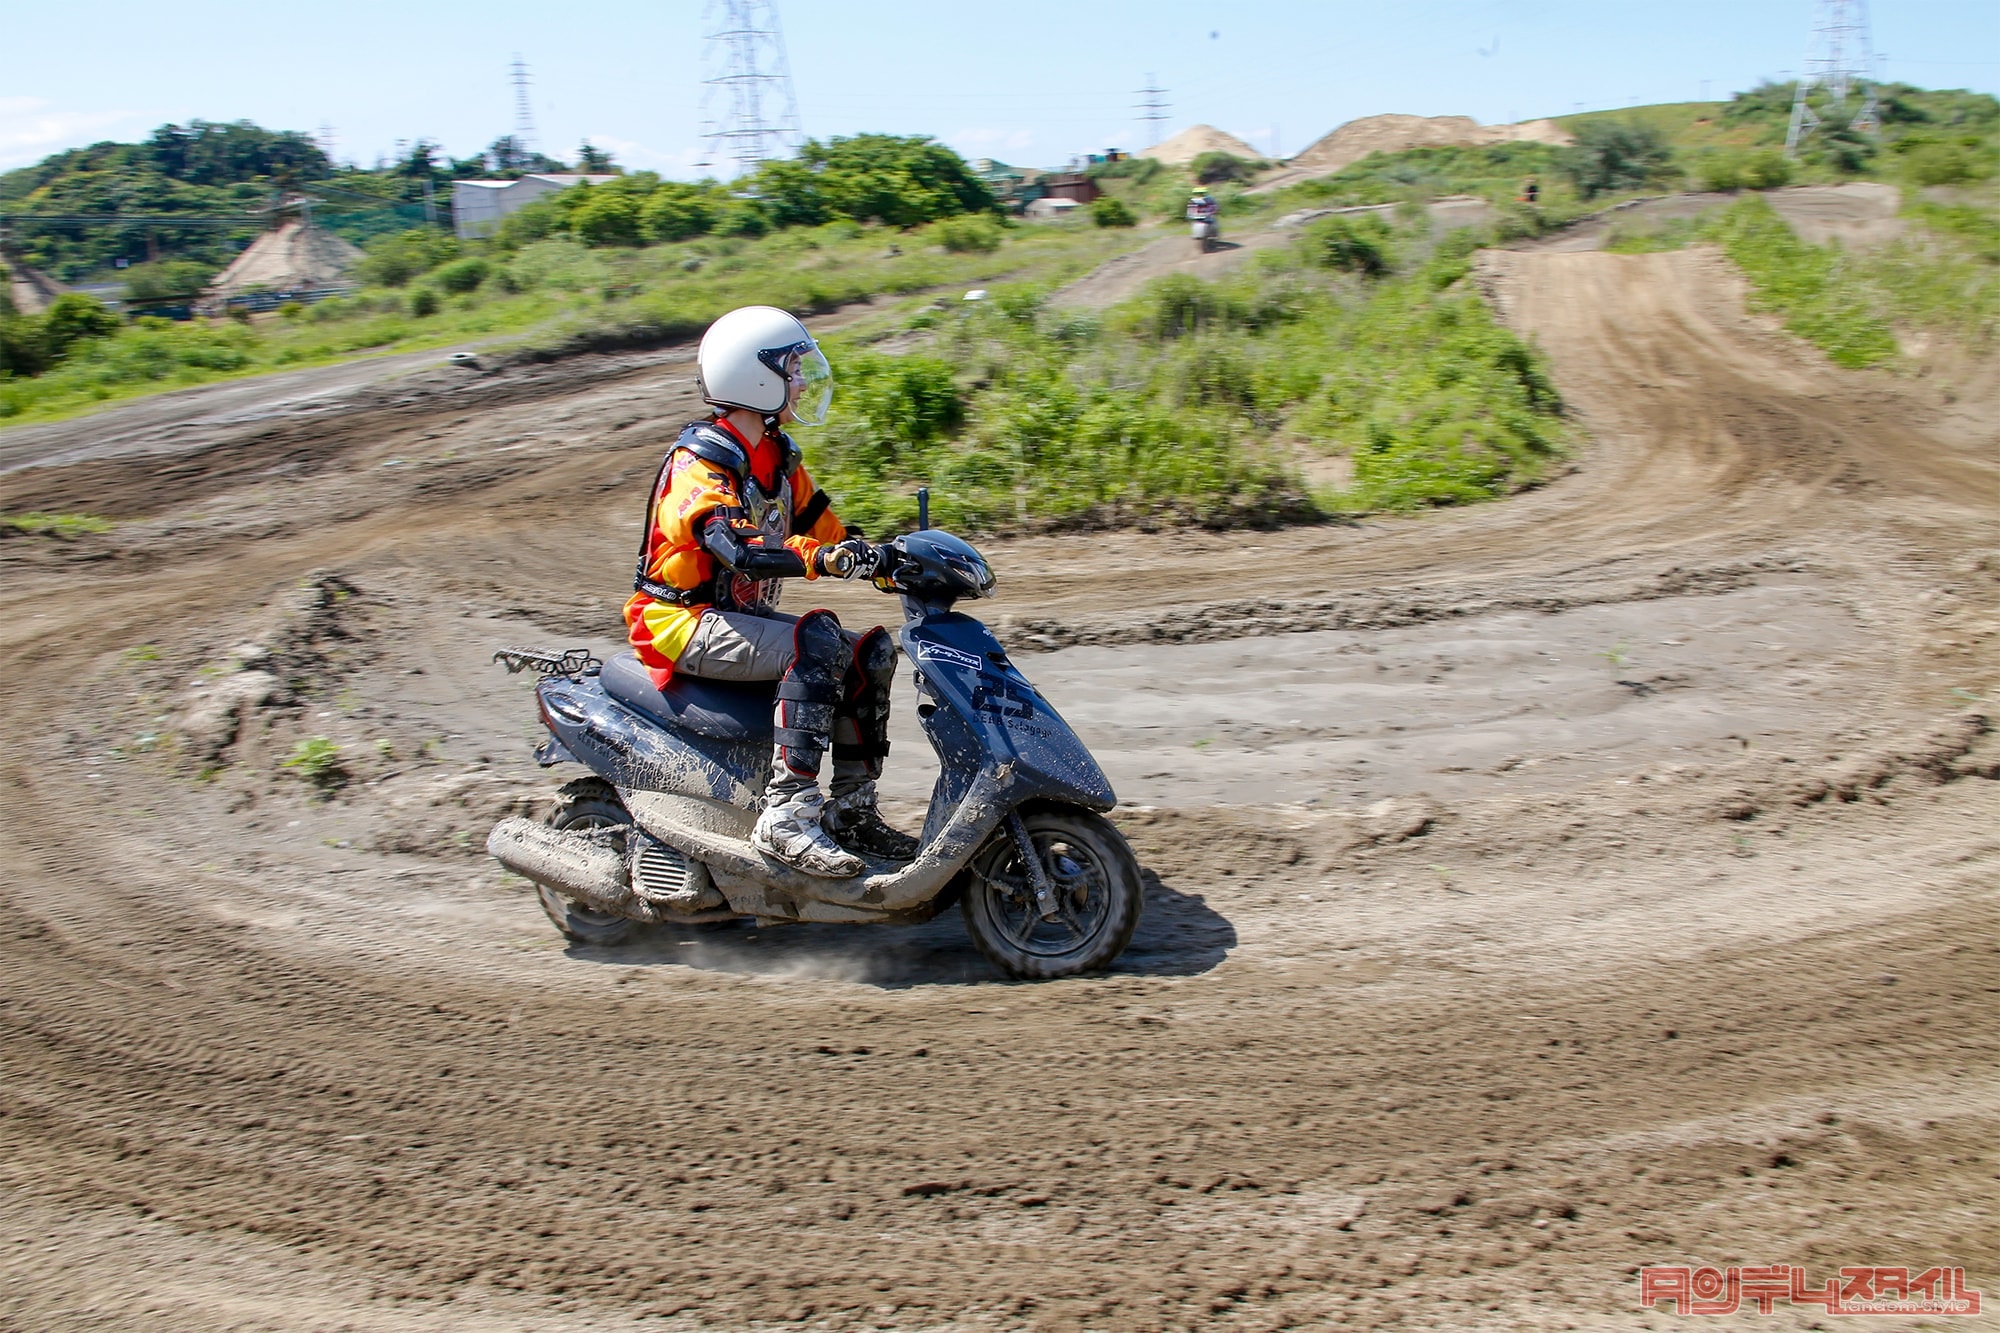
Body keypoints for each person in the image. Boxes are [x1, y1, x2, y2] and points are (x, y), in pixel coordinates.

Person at [622, 305, 916, 879]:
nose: (802, 381)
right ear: (753, 377)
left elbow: (824, 528)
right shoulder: (698, 462)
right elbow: (737, 548)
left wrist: (888, 561)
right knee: (819, 642)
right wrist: (822, 559)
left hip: (733, 620)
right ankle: (785, 816)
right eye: (792, 369)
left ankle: (852, 812)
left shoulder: (777, 457)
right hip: (680, 623)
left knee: (871, 652)